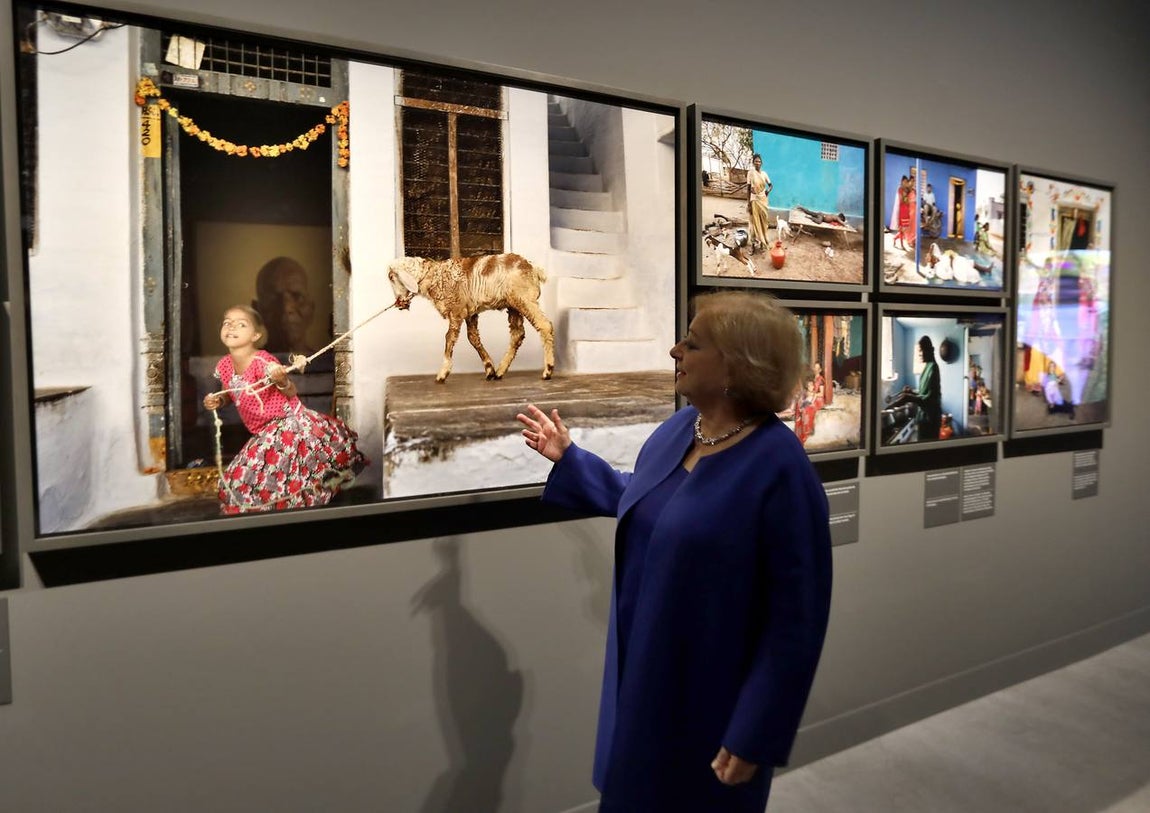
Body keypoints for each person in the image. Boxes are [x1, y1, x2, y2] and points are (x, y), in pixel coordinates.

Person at [516, 291, 833, 812]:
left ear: (734, 364)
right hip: (646, 675)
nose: (675, 351)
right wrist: (571, 460)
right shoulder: (678, 432)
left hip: (711, 698)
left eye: (693, 342)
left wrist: (757, 728)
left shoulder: (781, 468)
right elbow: (648, 501)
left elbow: (795, 622)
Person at [203, 305, 366, 514]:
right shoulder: (224, 365)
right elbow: (229, 391)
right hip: (263, 430)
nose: (231, 326)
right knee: (256, 477)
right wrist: (219, 401)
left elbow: (290, 391)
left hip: (286, 425)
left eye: (241, 324)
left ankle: (289, 514)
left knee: (259, 477)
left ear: (256, 335)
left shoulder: (264, 361)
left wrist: (281, 380)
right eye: (227, 322)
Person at [254, 256, 318, 354]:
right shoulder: (246, 367)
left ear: (311, 307)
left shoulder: (328, 363)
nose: (287, 308)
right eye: (274, 298)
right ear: (257, 310)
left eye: (297, 296)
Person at [897, 335, 942, 440]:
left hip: (931, 420)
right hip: (924, 418)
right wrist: (911, 392)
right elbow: (924, 393)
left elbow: (930, 399)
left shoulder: (933, 368)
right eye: (919, 351)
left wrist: (909, 397)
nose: (920, 354)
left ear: (931, 350)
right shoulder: (927, 367)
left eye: (922, 350)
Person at [746, 153, 773, 253]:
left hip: (763, 201)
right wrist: (748, 203)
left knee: (763, 223)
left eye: (759, 161)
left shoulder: (764, 174)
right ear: (753, 162)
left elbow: (771, 185)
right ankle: (753, 246)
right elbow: (748, 189)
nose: (757, 163)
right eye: (756, 161)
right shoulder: (750, 173)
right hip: (754, 200)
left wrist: (767, 191)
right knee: (753, 224)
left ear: (761, 163)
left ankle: (762, 244)